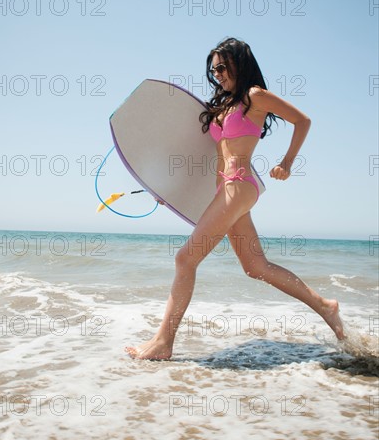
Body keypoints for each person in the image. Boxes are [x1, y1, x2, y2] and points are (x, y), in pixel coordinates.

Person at [125, 37, 344, 360]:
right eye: (213, 70)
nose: (218, 74)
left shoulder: (255, 96)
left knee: (185, 258)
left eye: (223, 67)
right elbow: (204, 155)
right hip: (225, 189)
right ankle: (326, 306)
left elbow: (303, 120)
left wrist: (286, 163)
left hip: (239, 185)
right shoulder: (223, 105)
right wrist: (170, 190)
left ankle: (163, 343)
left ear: (240, 64)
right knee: (255, 266)